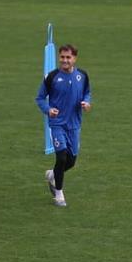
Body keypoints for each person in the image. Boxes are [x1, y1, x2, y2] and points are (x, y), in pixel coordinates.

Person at [35, 44, 91, 207]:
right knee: (61, 157)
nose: (65, 60)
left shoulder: (82, 76)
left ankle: (53, 175)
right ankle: (59, 193)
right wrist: (48, 109)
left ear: (75, 58)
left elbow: (87, 92)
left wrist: (86, 103)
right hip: (57, 124)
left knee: (71, 161)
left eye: (68, 57)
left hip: (74, 124)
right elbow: (39, 98)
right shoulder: (52, 77)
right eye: (62, 57)